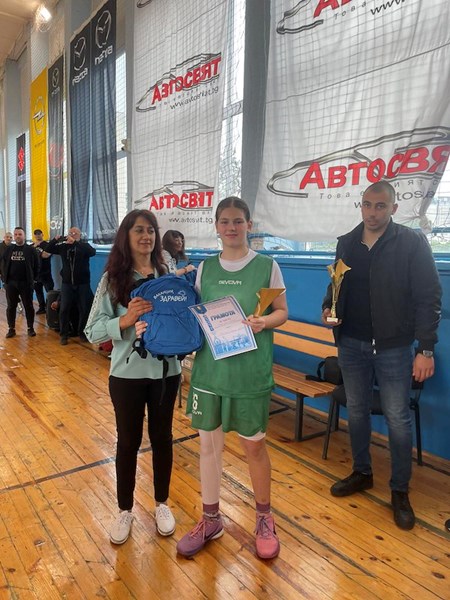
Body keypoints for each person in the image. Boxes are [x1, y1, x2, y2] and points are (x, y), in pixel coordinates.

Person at [321, 181, 442, 531]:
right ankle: (362, 473)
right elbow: (335, 286)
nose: (372, 212)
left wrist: (426, 348)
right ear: (360, 205)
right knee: (357, 412)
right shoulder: (347, 242)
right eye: (367, 205)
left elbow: (429, 297)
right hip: (351, 344)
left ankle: (400, 490)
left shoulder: (411, 242)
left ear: (393, 208)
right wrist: (328, 308)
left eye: (380, 206)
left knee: (398, 420)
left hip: (394, 348)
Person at [175, 196, 288, 560]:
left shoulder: (267, 266)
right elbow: (196, 315)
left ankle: (264, 518)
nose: (231, 227)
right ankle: (211, 519)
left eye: (238, 221)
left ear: (249, 225)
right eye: (225, 221)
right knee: (209, 446)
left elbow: (282, 312)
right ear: (217, 226)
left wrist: (264, 321)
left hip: (249, 373)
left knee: (254, 446)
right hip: (210, 372)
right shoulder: (205, 268)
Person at [84, 209, 181, 545]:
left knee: (163, 438)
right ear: (126, 236)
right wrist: (125, 320)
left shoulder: (168, 274)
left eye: (151, 230)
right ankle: (124, 509)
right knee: (128, 442)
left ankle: (162, 503)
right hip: (127, 375)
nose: (146, 236)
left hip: (167, 373)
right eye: (139, 230)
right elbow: (92, 331)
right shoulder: (113, 279)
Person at [47, 227, 96, 345]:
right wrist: (55, 239)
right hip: (67, 284)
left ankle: (82, 333)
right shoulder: (63, 247)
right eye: (70, 233)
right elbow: (48, 249)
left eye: (75, 233)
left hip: (83, 284)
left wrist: (75, 243)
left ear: (80, 235)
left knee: (84, 309)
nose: (72, 235)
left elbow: (92, 252)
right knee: (64, 309)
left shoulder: (84, 246)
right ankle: (64, 335)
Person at [2, 227, 38, 338]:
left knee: (28, 306)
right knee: (11, 306)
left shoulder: (30, 249)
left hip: (26, 283)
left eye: (20, 234)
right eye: (16, 234)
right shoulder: (9, 249)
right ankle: (11, 329)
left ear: (24, 235)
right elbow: (4, 263)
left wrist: (33, 279)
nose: (18, 236)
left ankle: (30, 328)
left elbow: (37, 265)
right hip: (11, 283)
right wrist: (4, 278)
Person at [32, 229, 54, 314]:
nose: (37, 235)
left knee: (50, 292)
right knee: (38, 292)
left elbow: (46, 255)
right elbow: (29, 256)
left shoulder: (47, 245)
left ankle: (49, 308)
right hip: (36, 274)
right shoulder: (31, 246)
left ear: (42, 234)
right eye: (36, 234)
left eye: (39, 234)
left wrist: (36, 250)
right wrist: (35, 248)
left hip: (46, 273)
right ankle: (42, 307)